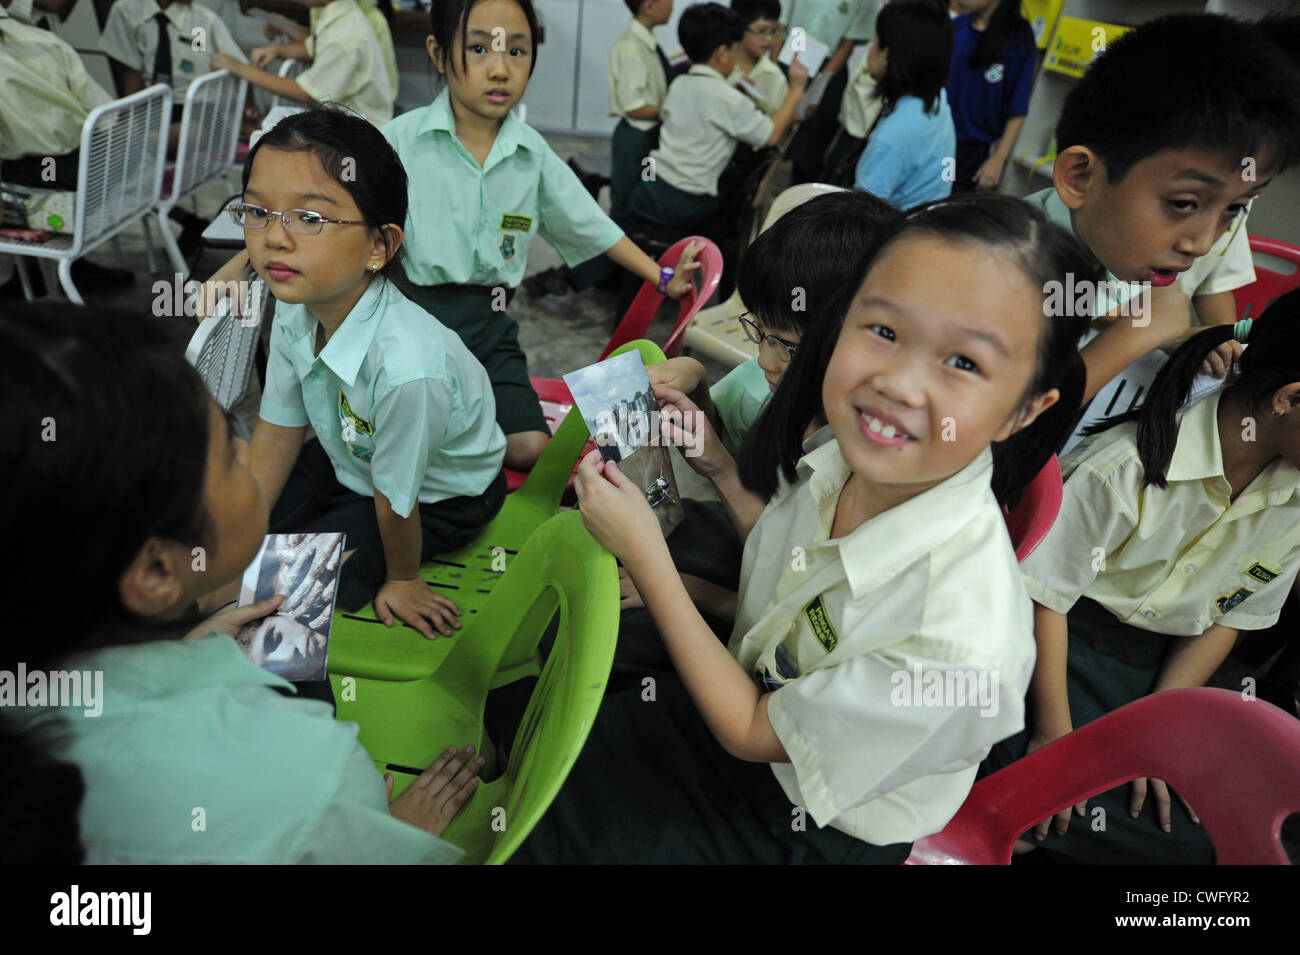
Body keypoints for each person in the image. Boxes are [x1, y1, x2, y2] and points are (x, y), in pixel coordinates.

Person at [510, 194, 1094, 864]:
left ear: (1024, 408)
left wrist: (649, 557)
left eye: (963, 363)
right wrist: (720, 472)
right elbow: (792, 600)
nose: (898, 383)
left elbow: (754, 730)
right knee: (531, 730)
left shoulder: (962, 641)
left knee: (546, 832)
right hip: (744, 699)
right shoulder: (847, 451)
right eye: (883, 330)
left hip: (807, 818)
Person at [0, 302, 484, 863]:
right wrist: (381, 835)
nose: (275, 238)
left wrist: (183, 648)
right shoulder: (309, 778)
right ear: (156, 572)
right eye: (231, 455)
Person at [989, 290, 1300, 864]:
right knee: (1029, 782)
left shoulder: (1293, 502)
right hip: (1048, 650)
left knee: (1194, 839)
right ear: (1288, 399)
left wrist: (1156, 734)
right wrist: (1053, 734)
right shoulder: (1127, 466)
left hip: (1151, 675)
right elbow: (1045, 598)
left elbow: (1224, 618)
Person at [208, 107, 508, 640]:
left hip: (438, 496)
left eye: (310, 218)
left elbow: (397, 498)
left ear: (379, 246)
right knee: (241, 550)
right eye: (258, 211)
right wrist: (242, 536)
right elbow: (277, 433)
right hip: (349, 458)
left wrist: (403, 577)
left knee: (288, 592)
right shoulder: (300, 306)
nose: (274, 238)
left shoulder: (408, 370)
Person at [381, 0, 700, 471]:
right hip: (410, 321)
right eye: (478, 48)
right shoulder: (396, 142)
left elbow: (592, 225)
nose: (500, 69)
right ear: (439, 53)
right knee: (409, 439)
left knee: (531, 447)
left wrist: (662, 277)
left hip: (489, 327)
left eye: (517, 51)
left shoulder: (532, 154)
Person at [613, 189, 899, 684]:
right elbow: (776, 545)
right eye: (760, 332)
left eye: (786, 345)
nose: (764, 360)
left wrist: (678, 588)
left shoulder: (870, 476)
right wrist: (702, 399)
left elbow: (793, 627)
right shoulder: (789, 394)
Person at [1020, 13, 1300, 404]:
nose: (1202, 245)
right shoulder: (1007, 268)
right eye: (1183, 203)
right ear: (1080, 177)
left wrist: (1170, 333)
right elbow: (1009, 430)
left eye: (1234, 209)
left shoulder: (1115, 252)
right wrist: (1140, 332)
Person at [624, 2, 808, 230]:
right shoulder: (730, 99)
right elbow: (770, 136)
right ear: (722, 54)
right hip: (689, 202)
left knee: (625, 219)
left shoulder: (679, 83)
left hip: (651, 185)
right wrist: (796, 89)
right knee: (720, 215)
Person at [211, 0, 394, 128]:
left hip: (363, 131)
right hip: (349, 121)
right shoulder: (344, 14)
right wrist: (278, 50)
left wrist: (240, 68)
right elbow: (314, 45)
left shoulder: (344, 35)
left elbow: (307, 92)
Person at [853, 0, 956, 208]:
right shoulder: (937, 99)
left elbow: (859, 219)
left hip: (900, 234)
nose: (871, 51)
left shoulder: (891, 137)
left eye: (876, 41)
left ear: (889, 56)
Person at [945, 0, 1037, 193]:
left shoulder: (1020, 39)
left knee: (948, 211)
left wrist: (999, 159)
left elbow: (1018, 107)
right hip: (939, 141)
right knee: (930, 204)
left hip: (973, 152)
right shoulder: (955, 27)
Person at [607, 0, 674, 218]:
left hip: (650, 137)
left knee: (645, 193)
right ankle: (615, 251)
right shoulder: (632, 48)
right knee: (626, 203)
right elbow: (633, 107)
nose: (673, 3)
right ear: (649, 6)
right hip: (636, 140)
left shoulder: (646, 42)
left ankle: (636, 243)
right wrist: (673, 112)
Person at [729, 0, 788, 116]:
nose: (769, 39)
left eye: (774, 31)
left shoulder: (775, 77)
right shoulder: (718, 64)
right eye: (762, 31)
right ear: (740, 26)